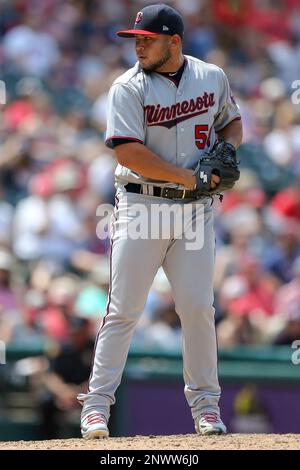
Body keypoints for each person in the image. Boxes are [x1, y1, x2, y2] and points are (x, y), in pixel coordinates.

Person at [78, 4, 242, 438]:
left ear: (175, 41)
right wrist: (192, 176)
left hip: (195, 212)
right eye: (135, 38)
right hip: (141, 206)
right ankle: (96, 407)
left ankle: (207, 408)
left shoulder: (212, 76)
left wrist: (227, 151)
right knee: (124, 310)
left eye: (147, 38)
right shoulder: (126, 88)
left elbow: (233, 124)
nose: (139, 45)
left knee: (197, 309)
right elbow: (128, 152)